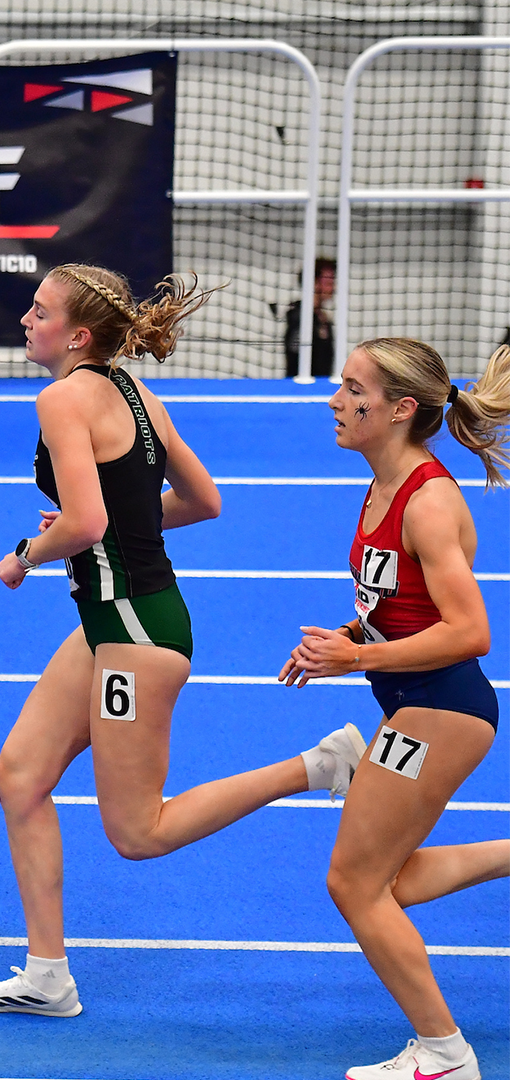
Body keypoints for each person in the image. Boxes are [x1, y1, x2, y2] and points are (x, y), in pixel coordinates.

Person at [0, 264, 367, 1017]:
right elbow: (201, 501)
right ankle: (47, 976)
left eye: (38, 311)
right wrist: (98, 528)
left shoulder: (61, 399)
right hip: (116, 622)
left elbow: (87, 524)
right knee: (19, 776)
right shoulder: (139, 395)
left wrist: (26, 554)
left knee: (138, 833)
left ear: (77, 335)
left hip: (136, 630)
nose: (24, 319)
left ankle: (318, 765)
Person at [278, 338, 508, 1080]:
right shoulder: (381, 484)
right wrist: (347, 634)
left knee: (352, 883)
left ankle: (444, 1055)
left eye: (353, 390)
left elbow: (470, 632)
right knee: (388, 882)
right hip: (413, 702)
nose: (335, 402)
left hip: (441, 708)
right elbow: (400, 604)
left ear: (402, 409)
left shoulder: (429, 500)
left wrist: (359, 659)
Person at [285, 256, 337, 379]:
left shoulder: (323, 319)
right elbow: (294, 356)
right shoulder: (300, 318)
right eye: (329, 283)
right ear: (314, 283)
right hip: (302, 389)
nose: (333, 288)